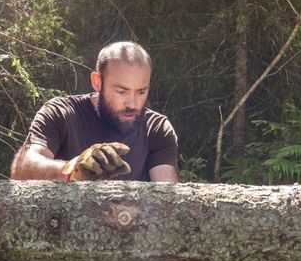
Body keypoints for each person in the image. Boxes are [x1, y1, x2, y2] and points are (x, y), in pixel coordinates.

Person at [10, 41, 179, 182]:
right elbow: (22, 169)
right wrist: (74, 169)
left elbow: (167, 196)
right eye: (121, 91)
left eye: (141, 92)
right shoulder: (61, 113)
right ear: (97, 82)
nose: (133, 104)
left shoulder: (156, 128)